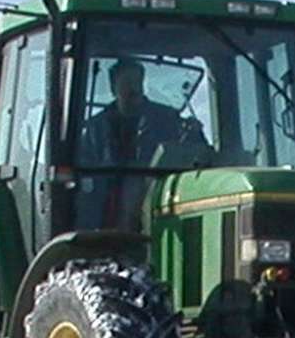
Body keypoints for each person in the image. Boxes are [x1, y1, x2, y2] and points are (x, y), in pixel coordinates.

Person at [73, 57, 211, 227]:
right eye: (126, 83)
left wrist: (195, 133)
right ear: (113, 88)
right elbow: (84, 170)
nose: (133, 89)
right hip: (107, 210)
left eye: (136, 82)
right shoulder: (96, 128)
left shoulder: (168, 119)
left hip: (160, 199)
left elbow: (195, 154)